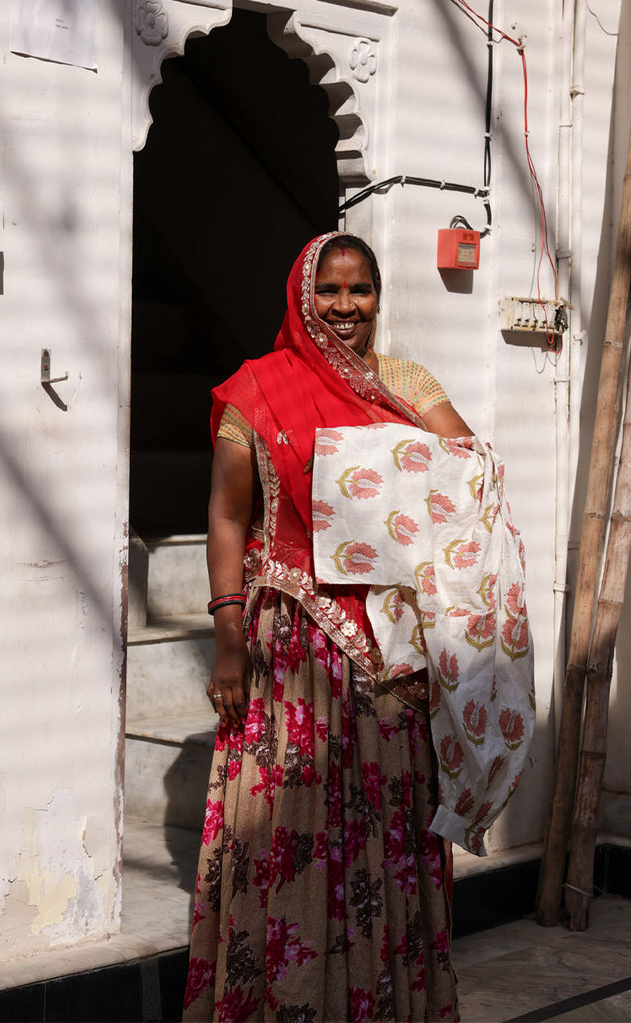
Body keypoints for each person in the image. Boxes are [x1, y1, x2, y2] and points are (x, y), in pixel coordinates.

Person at [183, 232, 475, 1023]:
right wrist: (228, 638)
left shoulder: (407, 382)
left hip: (389, 650)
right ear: (302, 295)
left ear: (378, 297)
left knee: (389, 827)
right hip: (291, 653)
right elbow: (227, 514)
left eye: (360, 291)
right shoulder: (257, 391)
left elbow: (465, 476)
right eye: (330, 291)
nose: (345, 308)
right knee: (290, 826)